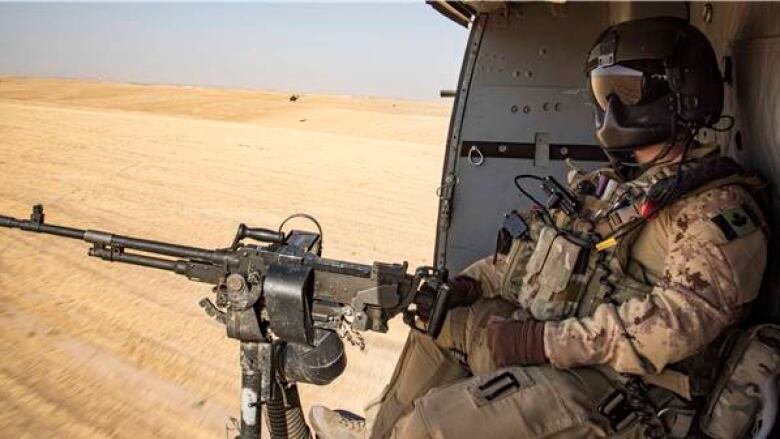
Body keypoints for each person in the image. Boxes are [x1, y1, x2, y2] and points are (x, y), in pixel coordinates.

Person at [310, 16, 769, 438]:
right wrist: (471, 283)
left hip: (635, 396)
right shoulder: (615, 187)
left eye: (626, 91)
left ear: (683, 92)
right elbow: (524, 256)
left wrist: (544, 343)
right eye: (603, 91)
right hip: (571, 357)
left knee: (431, 425)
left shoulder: (716, 210)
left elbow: (675, 328)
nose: (610, 107)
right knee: (443, 325)